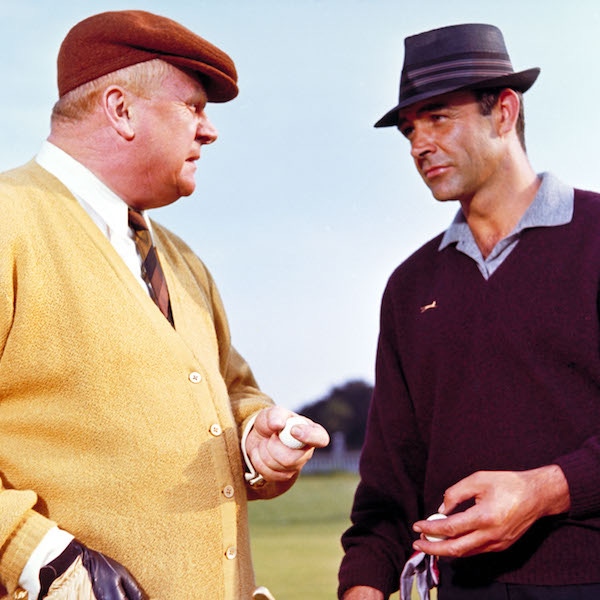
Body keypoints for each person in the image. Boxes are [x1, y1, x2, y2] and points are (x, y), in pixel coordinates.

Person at [0, 10, 329, 600]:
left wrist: (257, 439)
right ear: (121, 110)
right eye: (193, 107)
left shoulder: (182, 261)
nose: (210, 131)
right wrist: (36, 557)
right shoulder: (8, 222)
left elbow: (234, 391)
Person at [338, 23, 600, 600]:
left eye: (438, 118)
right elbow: (389, 483)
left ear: (504, 113)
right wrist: (364, 586)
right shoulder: (409, 288)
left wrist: (547, 490)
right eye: (409, 129)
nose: (417, 144)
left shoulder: (597, 238)